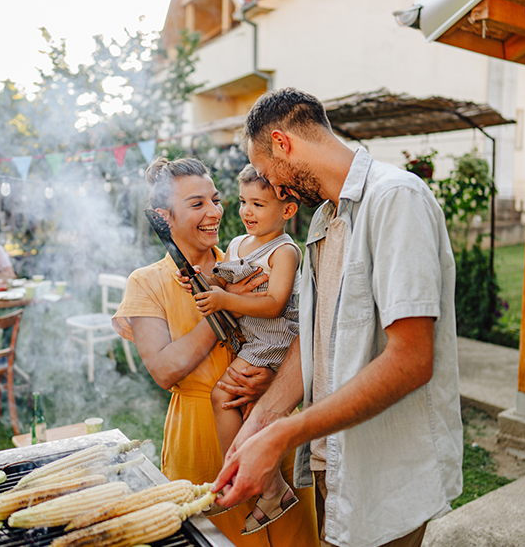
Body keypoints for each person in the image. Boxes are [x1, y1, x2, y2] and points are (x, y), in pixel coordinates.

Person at [213, 88, 463, 547]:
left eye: (269, 174)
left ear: (282, 142)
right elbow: (316, 338)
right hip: (335, 463)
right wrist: (263, 421)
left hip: (387, 474)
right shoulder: (323, 219)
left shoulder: (395, 199)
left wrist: (287, 432)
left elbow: (411, 359)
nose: (277, 190)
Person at [111, 157, 318, 547]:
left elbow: (296, 331)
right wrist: (222, 307)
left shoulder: (249, 259)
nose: (215, 213)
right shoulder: (146, 283)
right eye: (196, 204)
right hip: (203, 441)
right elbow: (164, 370)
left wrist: (275, 379)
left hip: (270, 423)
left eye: (216, 199)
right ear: (164, 216)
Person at [192, 164, 302, 534]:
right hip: (248, 338)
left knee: (223, 395)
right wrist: (200, 279)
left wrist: (223, 300)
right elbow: (224, 277)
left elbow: (274, 303)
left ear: (287, 210)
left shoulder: (285, 252)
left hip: (272, 339)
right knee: (246, 406)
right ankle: (272, 489)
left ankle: (237, 475)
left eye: (258, 203)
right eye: (242, 202)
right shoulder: (238, 244)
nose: (246, 212)